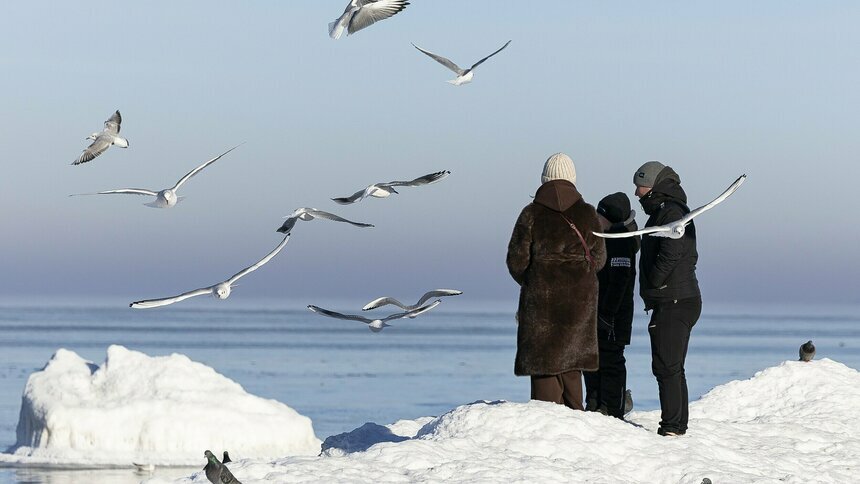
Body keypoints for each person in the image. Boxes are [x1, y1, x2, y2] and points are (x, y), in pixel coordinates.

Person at [506, 153, 606, 411]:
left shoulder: (531, 214)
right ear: (572, 179)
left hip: (541, 302)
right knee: (572, 366)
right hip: (580, 301)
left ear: (544, 179)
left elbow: (516, 261)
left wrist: (535, 281)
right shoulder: (588, 214)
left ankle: (547, 438)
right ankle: (576, 428)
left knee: (544, 368)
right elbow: (600, 259)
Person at [633, 161, 702, 436]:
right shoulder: (664, 212)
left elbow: (672, 252)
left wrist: (654, 282)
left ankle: (672, 427)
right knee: (672, 367)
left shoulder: (672, 213)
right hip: (677, 299)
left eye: (639, 186)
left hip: (674, 300)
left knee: (666, 367)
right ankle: (677, 425)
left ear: (652, 186)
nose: (637, 193)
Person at [584, 192, 640, 418]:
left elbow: (619, 282)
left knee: (611, 360)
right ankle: (595, 403)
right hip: (599, 313)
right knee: (593, 360)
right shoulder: (605, 239)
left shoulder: (621, 242)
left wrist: (607, 314)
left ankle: (612, 408)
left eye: (600, 215)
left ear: (611, 218)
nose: (596, 219)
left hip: (614, 317)